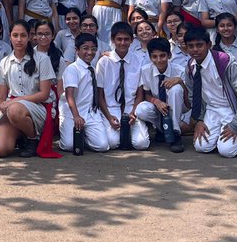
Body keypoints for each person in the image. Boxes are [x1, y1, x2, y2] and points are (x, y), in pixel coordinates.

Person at [183, 27, 237, 157]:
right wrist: (199, 120)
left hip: (231, 109)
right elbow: (193, 96)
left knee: (227, 151)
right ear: (186, 48)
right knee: (201, 146)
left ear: (209, 45)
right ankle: (219, 136)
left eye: (199, 45)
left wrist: (235, 125)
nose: (195, 50)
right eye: (190, 46)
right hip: (211, 109)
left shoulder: (223, 61)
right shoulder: (191, 66)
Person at [0, 20, 55, 158]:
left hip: (37, 108)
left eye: (23, 35)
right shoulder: (5, 62)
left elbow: (44, 94)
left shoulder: (42, 59)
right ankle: (20, 134)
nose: (19, 39)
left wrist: (15, 101)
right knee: (0, 149)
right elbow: (1, 98)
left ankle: (33, 139)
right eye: (15, 35)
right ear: (10, 36)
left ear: (30, 37)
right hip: (12, 110)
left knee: (14, 110)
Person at [96, 22, 148, 150]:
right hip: (111, 108)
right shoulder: (104, 62)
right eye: (119, 39)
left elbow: (140, 93)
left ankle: (129, 133)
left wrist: (133, 113)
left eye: (126, 39)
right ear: (113, 40)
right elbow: (100, 94)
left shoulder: (138, 61)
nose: (123, 43)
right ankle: (122, 134)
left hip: (131, 108)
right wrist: (108, 117)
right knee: (112, 143)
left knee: (141, 144)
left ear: (132, 40)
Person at [133, 37, 187, 152]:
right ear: (150, 57)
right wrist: (156, 102)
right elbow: (146, 93)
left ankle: (175, 133)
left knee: (176, 89)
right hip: (159, 107)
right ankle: (161, 129)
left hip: (177, 106)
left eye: (162, 56)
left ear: (169, 55)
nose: (159, 60)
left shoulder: (180, 71)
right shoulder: (146, 70)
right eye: (154, 57)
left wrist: (181, 82)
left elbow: (188, 100)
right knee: (141, 109)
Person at [60, 33, 109, 153]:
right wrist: (76, 116)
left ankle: (85, 137)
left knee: (103, 146)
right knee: (69, 146)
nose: (90, 52)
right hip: (73, 113)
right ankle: (79, 135)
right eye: (85, 48)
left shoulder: (93, 69)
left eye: (93, 49)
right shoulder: (73, 69)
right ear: (77, 50)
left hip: (90, 113)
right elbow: (69, 95)